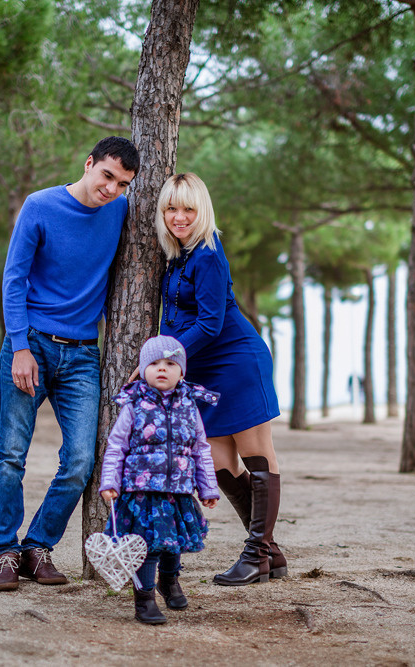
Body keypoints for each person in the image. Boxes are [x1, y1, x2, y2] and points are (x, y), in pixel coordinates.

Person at [0, 136, 140, 592]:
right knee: (11, 455)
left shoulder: (120, 211)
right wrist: (19, 347)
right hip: (31, 343)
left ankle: (37, 546)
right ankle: (4, 554)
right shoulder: (40, 206)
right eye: (107, 175)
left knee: (80, 460)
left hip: (82, 354)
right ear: (89, 163)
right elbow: (14, 278)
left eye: (123, 183)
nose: (111, 188)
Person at [154, 172, 287, 586]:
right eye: (171, 209)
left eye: (188, 209)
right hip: (206, 367)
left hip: (236, 360)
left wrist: (162, 359)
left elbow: (211, 324)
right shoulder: (177, 255)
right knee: (216, 460)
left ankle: (256, 556)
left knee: (254, 452)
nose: (179, 217)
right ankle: (272, 553)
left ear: (202, 211)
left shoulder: (208, 252)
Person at [100, 335, 220, 624]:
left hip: (178, 492)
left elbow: (201, 448)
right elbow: (117, 445)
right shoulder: (134, 404)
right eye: (154, 363)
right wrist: (109, 482)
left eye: (170, 363)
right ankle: (144, 600)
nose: (162, 369)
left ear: (182, 372)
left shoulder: (190, 407)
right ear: (143, 370)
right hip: (142, 493)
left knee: (173, 545)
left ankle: (169, 581)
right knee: (148, 547)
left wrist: (208, 486)